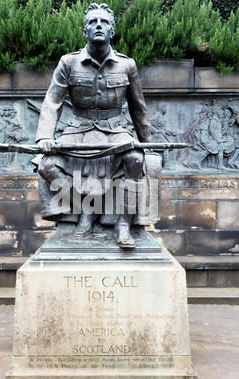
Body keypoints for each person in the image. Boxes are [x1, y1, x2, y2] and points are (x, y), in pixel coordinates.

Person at [36, 3, 154, 248]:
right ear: (84, 31)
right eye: (92, 22)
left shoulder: (126, 65)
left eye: (104, 22)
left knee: (135, 160)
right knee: (46, 165)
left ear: (112, 31)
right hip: (78, 130)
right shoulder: (68, 63)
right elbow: (52, 102)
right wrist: (44, 137)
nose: (98, 26)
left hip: (114, 130)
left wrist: (147, 144)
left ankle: (123, 223)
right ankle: (86, 212)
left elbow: (137, 108)